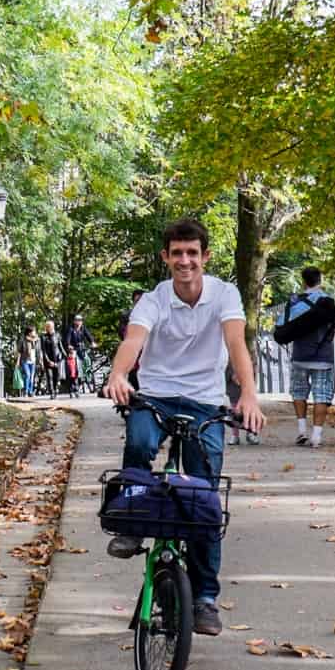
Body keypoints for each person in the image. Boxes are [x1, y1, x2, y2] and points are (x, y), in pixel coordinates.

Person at [105, 217, 267, 637]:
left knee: (204, 500)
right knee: (140, 441)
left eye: (192, 253)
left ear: (205, 257)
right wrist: (120, 375)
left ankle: (205, 598)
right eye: (177, 253)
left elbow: (236, 345)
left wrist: (247, 394)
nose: (185, 261)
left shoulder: (224, 295)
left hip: (205, 402)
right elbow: (134, 341)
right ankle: (128, 522)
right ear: (165, 257)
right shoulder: (154, 300)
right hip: (156, 395)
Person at [279, 266, 335, 447]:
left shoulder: (295, 302)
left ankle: (301, 431)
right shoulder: (329, 302)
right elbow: (333, 328)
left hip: (299, 356)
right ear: (320, 280)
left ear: (303, 281)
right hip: (323, 357)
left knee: (299, 392)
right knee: (321, 395)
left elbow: (283, 326)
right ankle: (317, 436)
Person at [38, 320, 63, 397]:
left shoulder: (57, 335)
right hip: (48, 360)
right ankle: (51, 392)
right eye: (48, 327)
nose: (49, 328)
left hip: (57, 359)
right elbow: (43, 350)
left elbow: (60, 347)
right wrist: (48, 361)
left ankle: (55, 390)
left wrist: (64, 355)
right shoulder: (43, 337)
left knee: (56, 376)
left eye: (51, 326)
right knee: (49, 376)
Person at [16, 330, 36, 400]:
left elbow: (38, 350)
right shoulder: (23, 340)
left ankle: (30, 392)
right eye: (33, 331)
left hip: (33, 361)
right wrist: (18, 362)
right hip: (25, 360)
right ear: (29, 332)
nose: (34, 333)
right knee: (28, 375)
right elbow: (19, 352)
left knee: (32, 377)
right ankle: (26, 392)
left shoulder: (35, 340)